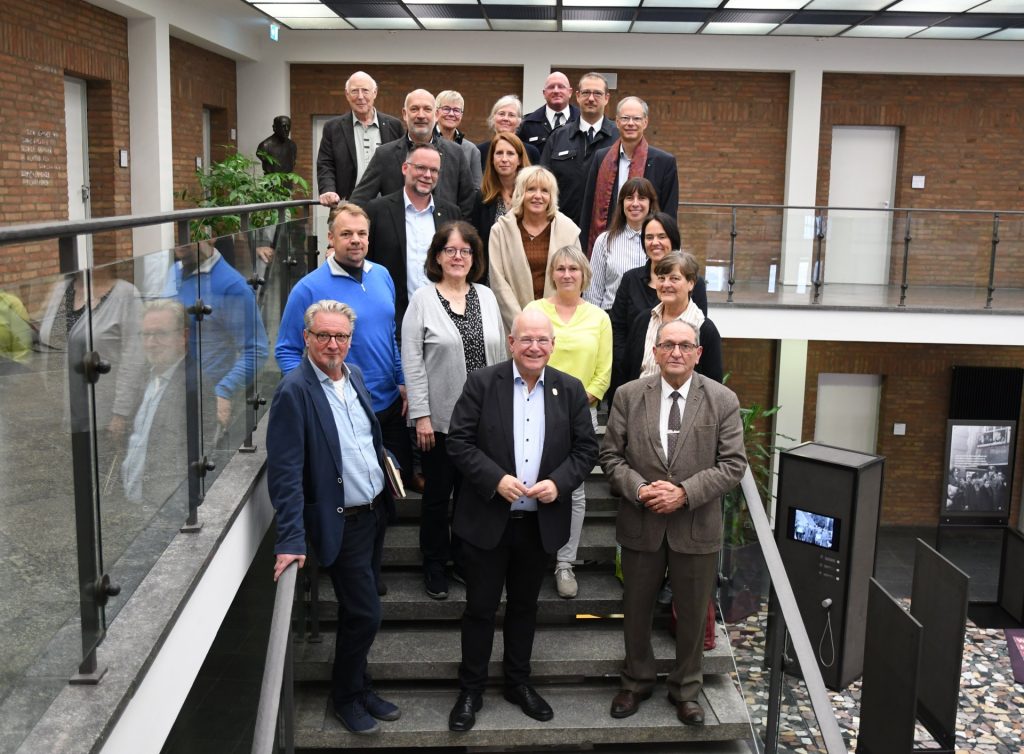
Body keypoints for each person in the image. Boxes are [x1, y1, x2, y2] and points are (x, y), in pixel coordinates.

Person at [445, 309, 599, 732]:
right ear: (511, 343)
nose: (534, 347)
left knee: (525, 608)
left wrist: (559, 483)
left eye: (542, 340)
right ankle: (471, 689)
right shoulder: (482, 383)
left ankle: (517, 682)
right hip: (486, 523)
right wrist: (495, 479)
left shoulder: (569, 390)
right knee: (479, 609)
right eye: (526, 339)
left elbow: (586, 451)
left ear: (552, 345)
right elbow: (457, 442)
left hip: (538, 523)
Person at [600, 319, 746, 726]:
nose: (676, 352)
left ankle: (686, 689)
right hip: (641, 521)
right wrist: (642, 488)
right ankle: (635, 682)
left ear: (698, 353)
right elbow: (611, 457)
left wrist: (684, 493)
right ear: (656, 351)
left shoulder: (722, 399)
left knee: (694, 613)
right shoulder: (629, 396)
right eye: (668, 345)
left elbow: (733, 464)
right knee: (636, 610)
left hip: (696, 526)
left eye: (685, 345)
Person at [267, 299, 400, 736]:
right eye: (323, 335)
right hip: (341, 523)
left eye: (340, 336)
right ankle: (344, 698)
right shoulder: (294, 391)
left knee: (358, 612)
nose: (332, 344)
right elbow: (285, 473)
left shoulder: (355, 376)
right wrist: (290, 539)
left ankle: (361, 685)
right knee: (365, 614)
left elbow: (364, 438)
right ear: (306, 338)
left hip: (374, 512)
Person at [275, 203, 409, 574]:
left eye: (362, 234)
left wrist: (402, 380)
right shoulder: (309, 287)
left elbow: (390, 335)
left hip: (383, 407)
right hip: (335, 410)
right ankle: (356, 577)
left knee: (382, 498)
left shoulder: (382, 275)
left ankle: (372, 568)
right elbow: (286, 348)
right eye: (346, 234)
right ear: (330, 239)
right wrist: (311, 392)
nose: (355, 240)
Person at [401, 222, 506, 600]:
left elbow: (501, 357)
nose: (458, 257)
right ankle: (434, 563)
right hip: (442, 422)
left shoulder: (487, 297)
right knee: (437, 495)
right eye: (451, 250)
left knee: (472, 496)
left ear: (474, 258)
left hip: (485, 420)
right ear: (437, 257)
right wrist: (422, 416)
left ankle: (463, 559)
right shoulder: (423, 299)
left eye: (465, 251)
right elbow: (412, 361)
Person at [525, 246, 611, 598]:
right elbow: (523, 356)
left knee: (573, 491)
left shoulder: (599, 318)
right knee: (532, 480)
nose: (566, 274)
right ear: (552, 274)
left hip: (579, 414)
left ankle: (565, 564)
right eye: (559, 268)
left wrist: (575, 404)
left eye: (573, 269)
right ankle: (529, 557)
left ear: (584, 275)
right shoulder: (535, 310)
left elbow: (603, 373)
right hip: (533, 407)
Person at [163, 237, 270, 444]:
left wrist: (223, 391)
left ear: (211, 236)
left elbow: (256, 351)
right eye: (177, 232)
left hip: (206, 396)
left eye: (190, 232)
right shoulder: (173, 272)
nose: (180, 239)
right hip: (171, 388)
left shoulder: (233, 286)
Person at [610, 213, 707, 397]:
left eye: (662, 236)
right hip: (636, 379)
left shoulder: (696, 283)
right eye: (649, 237)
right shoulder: (631, 279)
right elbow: (618, 327)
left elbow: (698, 333)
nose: (655, 242)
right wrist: (627, 363)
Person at [364, 143, 461, 323]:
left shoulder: (451, 213)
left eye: (434, 170)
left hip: (440, 318)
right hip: (392, 318)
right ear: (405, 168)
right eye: (421, 168)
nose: (427, 175)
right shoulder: (377, 210)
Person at [351, 89, 476, 219]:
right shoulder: (385, 155)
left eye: (427, 109)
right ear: (405, 114)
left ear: (436, 115)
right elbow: (359, 201)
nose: (421, 115)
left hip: (443, 237)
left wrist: (456, 235)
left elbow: (468, 205)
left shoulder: (455, 153)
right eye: (414, 109)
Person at [579, 97, 679, 256]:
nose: (630, 123)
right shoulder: (601, 158)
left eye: (636, 118)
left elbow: (669, 212)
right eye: (625, 118)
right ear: (617, 122)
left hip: (646, 248)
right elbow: (588, 207)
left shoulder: (664, 162)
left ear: (645, 122)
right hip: (607, 245)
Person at [487, 166, 582, 332]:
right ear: (521, 193)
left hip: (559, 326)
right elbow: (498, 284)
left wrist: (553, 322)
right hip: (513, 326)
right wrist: (522, 324)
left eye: (545, 191)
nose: (538, 196)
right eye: (531, 189)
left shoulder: (569, 230)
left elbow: (575, 280)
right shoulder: (500, 230)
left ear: (551, 196)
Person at [121, 300, 189, 506]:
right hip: (133, 501)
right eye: (146, 335)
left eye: (160, 334)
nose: (151, 343)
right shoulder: (147, 377)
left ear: (183, 337)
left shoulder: (193, 387)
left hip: (163, 510)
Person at [623, 251, 723, 385]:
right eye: (661, 278)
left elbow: (713, 386)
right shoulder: (643, 320)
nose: (666, 284)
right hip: (640, 402)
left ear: (691, 284)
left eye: (674, 278)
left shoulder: (705, 329)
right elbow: (626, 371)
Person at [316, 71, 405, 205]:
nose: (360, 96)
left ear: (375, 93)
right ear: (347, 94)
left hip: (387, 206)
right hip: (347, 205)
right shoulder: (332, 128)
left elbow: (404, 162)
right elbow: (325, 164)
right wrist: (328, 189)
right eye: (354, 91)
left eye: (365, 91)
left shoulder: (394, 125)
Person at [541, 72, 618, 224]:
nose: (591, 98)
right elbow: (543, 183)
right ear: (577, 96)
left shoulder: (619, 138)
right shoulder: (558, 137)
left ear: (607, 98)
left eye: (597, 93)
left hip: (608, 229)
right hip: (564, 227)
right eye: (586, 93)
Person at [584, 177, 660, 311]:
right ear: (622, 204)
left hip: (653, 318)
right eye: (629, 198)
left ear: (650, 203)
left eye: (641, 198)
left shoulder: (665, 242)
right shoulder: (605, 241)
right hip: (612, 317)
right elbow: (593, 292)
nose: (635, 203)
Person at [472, 132, 531, 267]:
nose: (504, 159)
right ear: (492, 159)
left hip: (526, 271)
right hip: (491, 273)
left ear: (520, 159)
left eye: (510, 153)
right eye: (499, 153)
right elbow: (477, 240)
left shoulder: (531, 194)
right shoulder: (483, 197)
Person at [517, 72, 579, 152]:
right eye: (551, 87)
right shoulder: (527, 123)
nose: (556, 91)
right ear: (544, 93)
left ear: (570, 92)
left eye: (561, 87)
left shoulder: (582, 120)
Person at [477, 95, 541, 171]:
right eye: (501, 114)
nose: (505, 118)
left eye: (511, 115)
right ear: (493, 118)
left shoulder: (531, 152)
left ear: (519, 122)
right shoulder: (479, 151)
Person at [434, 90, 482, 189]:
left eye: (456, 110)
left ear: (461, 115)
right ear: (436, 112)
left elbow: (476, 189)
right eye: (446, 109)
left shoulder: (471, 150)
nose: (451, 114)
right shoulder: (424, 142)